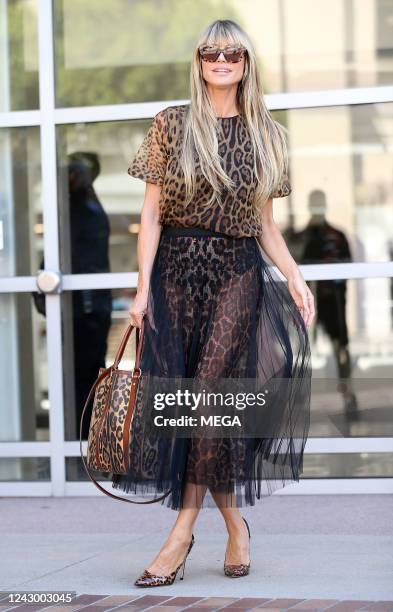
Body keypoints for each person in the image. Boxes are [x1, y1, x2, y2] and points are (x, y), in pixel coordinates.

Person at [112, 18, 315, 587]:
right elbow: (150, 216)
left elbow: (266, 227)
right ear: (198, 62)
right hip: (176, 275)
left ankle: (179, 535)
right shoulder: (171, 125)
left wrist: (295, 278)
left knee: (204, 397)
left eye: (233, 52)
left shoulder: (267, 136)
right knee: (196, 411)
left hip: (236, 273)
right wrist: (143, 287)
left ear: (246, 64)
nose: (221, 59)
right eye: (211, 51)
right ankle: (236, 527)